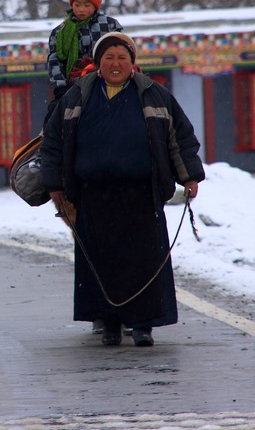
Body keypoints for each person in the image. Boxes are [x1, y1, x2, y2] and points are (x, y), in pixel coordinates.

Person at [39, 32, 205, 348]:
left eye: (122, 58)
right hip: (94, 196)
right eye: (109, 58)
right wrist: (54, 185)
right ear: (99, 63)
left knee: (143, 262)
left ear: (132, 63)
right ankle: (110, 324)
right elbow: (54, 143)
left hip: (141, 196)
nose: (116, 64)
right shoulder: (77, 96)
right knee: (101, 263)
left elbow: (179, 137)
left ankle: (143, 325)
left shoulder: (154, 95)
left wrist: (190, 177)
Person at [45, 0, 123, 120]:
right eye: (77, 4)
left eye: (86, 5)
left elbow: (122, 54)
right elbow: (54, 61)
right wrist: (61, 88)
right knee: (53, 119)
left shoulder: (110, 26)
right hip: (73, 87)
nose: (81, 9)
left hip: (107, 82)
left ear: (95, 6)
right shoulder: (60, 32)